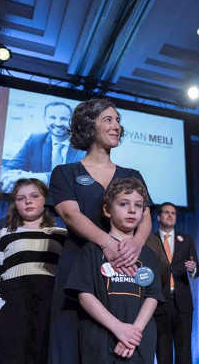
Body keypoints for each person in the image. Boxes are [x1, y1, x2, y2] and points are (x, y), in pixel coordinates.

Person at [48, 98, 153, 364]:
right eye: (108, 119)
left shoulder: (133, 174)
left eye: (118, 120)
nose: (116, 125)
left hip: (125, 270)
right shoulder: (65, 172)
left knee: (121, 345)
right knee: (70, 346)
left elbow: (146, 219)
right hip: (78, 268)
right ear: (88, 125)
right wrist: (108, 243)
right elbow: (71, 214)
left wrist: (137, 244)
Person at [65, 177, 162, 364]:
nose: (132, 210)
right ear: (107, 210)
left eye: (138, 205)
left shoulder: (149, 255)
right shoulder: (91, 250)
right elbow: (84, 295)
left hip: (138, 342)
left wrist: (133, 334)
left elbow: (153, 296)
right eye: (124, 204)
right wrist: (118, 328)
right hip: (100, 341)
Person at [0, 178, 66, 364]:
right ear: (15, 204)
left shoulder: (61, 234)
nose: (28, 201)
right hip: (14, 308)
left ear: (45, 199)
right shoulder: (4, 234)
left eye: (34, 196)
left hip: (49, 308)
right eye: (21, 198)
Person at [153, 202, 199, 364]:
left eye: (173, 213)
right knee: (162, 349)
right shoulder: (149, 239)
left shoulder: (186, 240)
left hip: (182, 303)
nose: (170, 215)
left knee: (184, 349)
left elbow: (197, 268)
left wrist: (193, 268)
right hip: (159, 302)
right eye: (166, 212)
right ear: (158, 217)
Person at [1, 101, 85, 191]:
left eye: (63, 119)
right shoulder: (35, 140)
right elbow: (9, 167)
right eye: (52, 117)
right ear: (45, 118)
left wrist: (37, 177)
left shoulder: (82, 144)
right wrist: (7, 178)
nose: (58, 123)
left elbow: (77, 175)